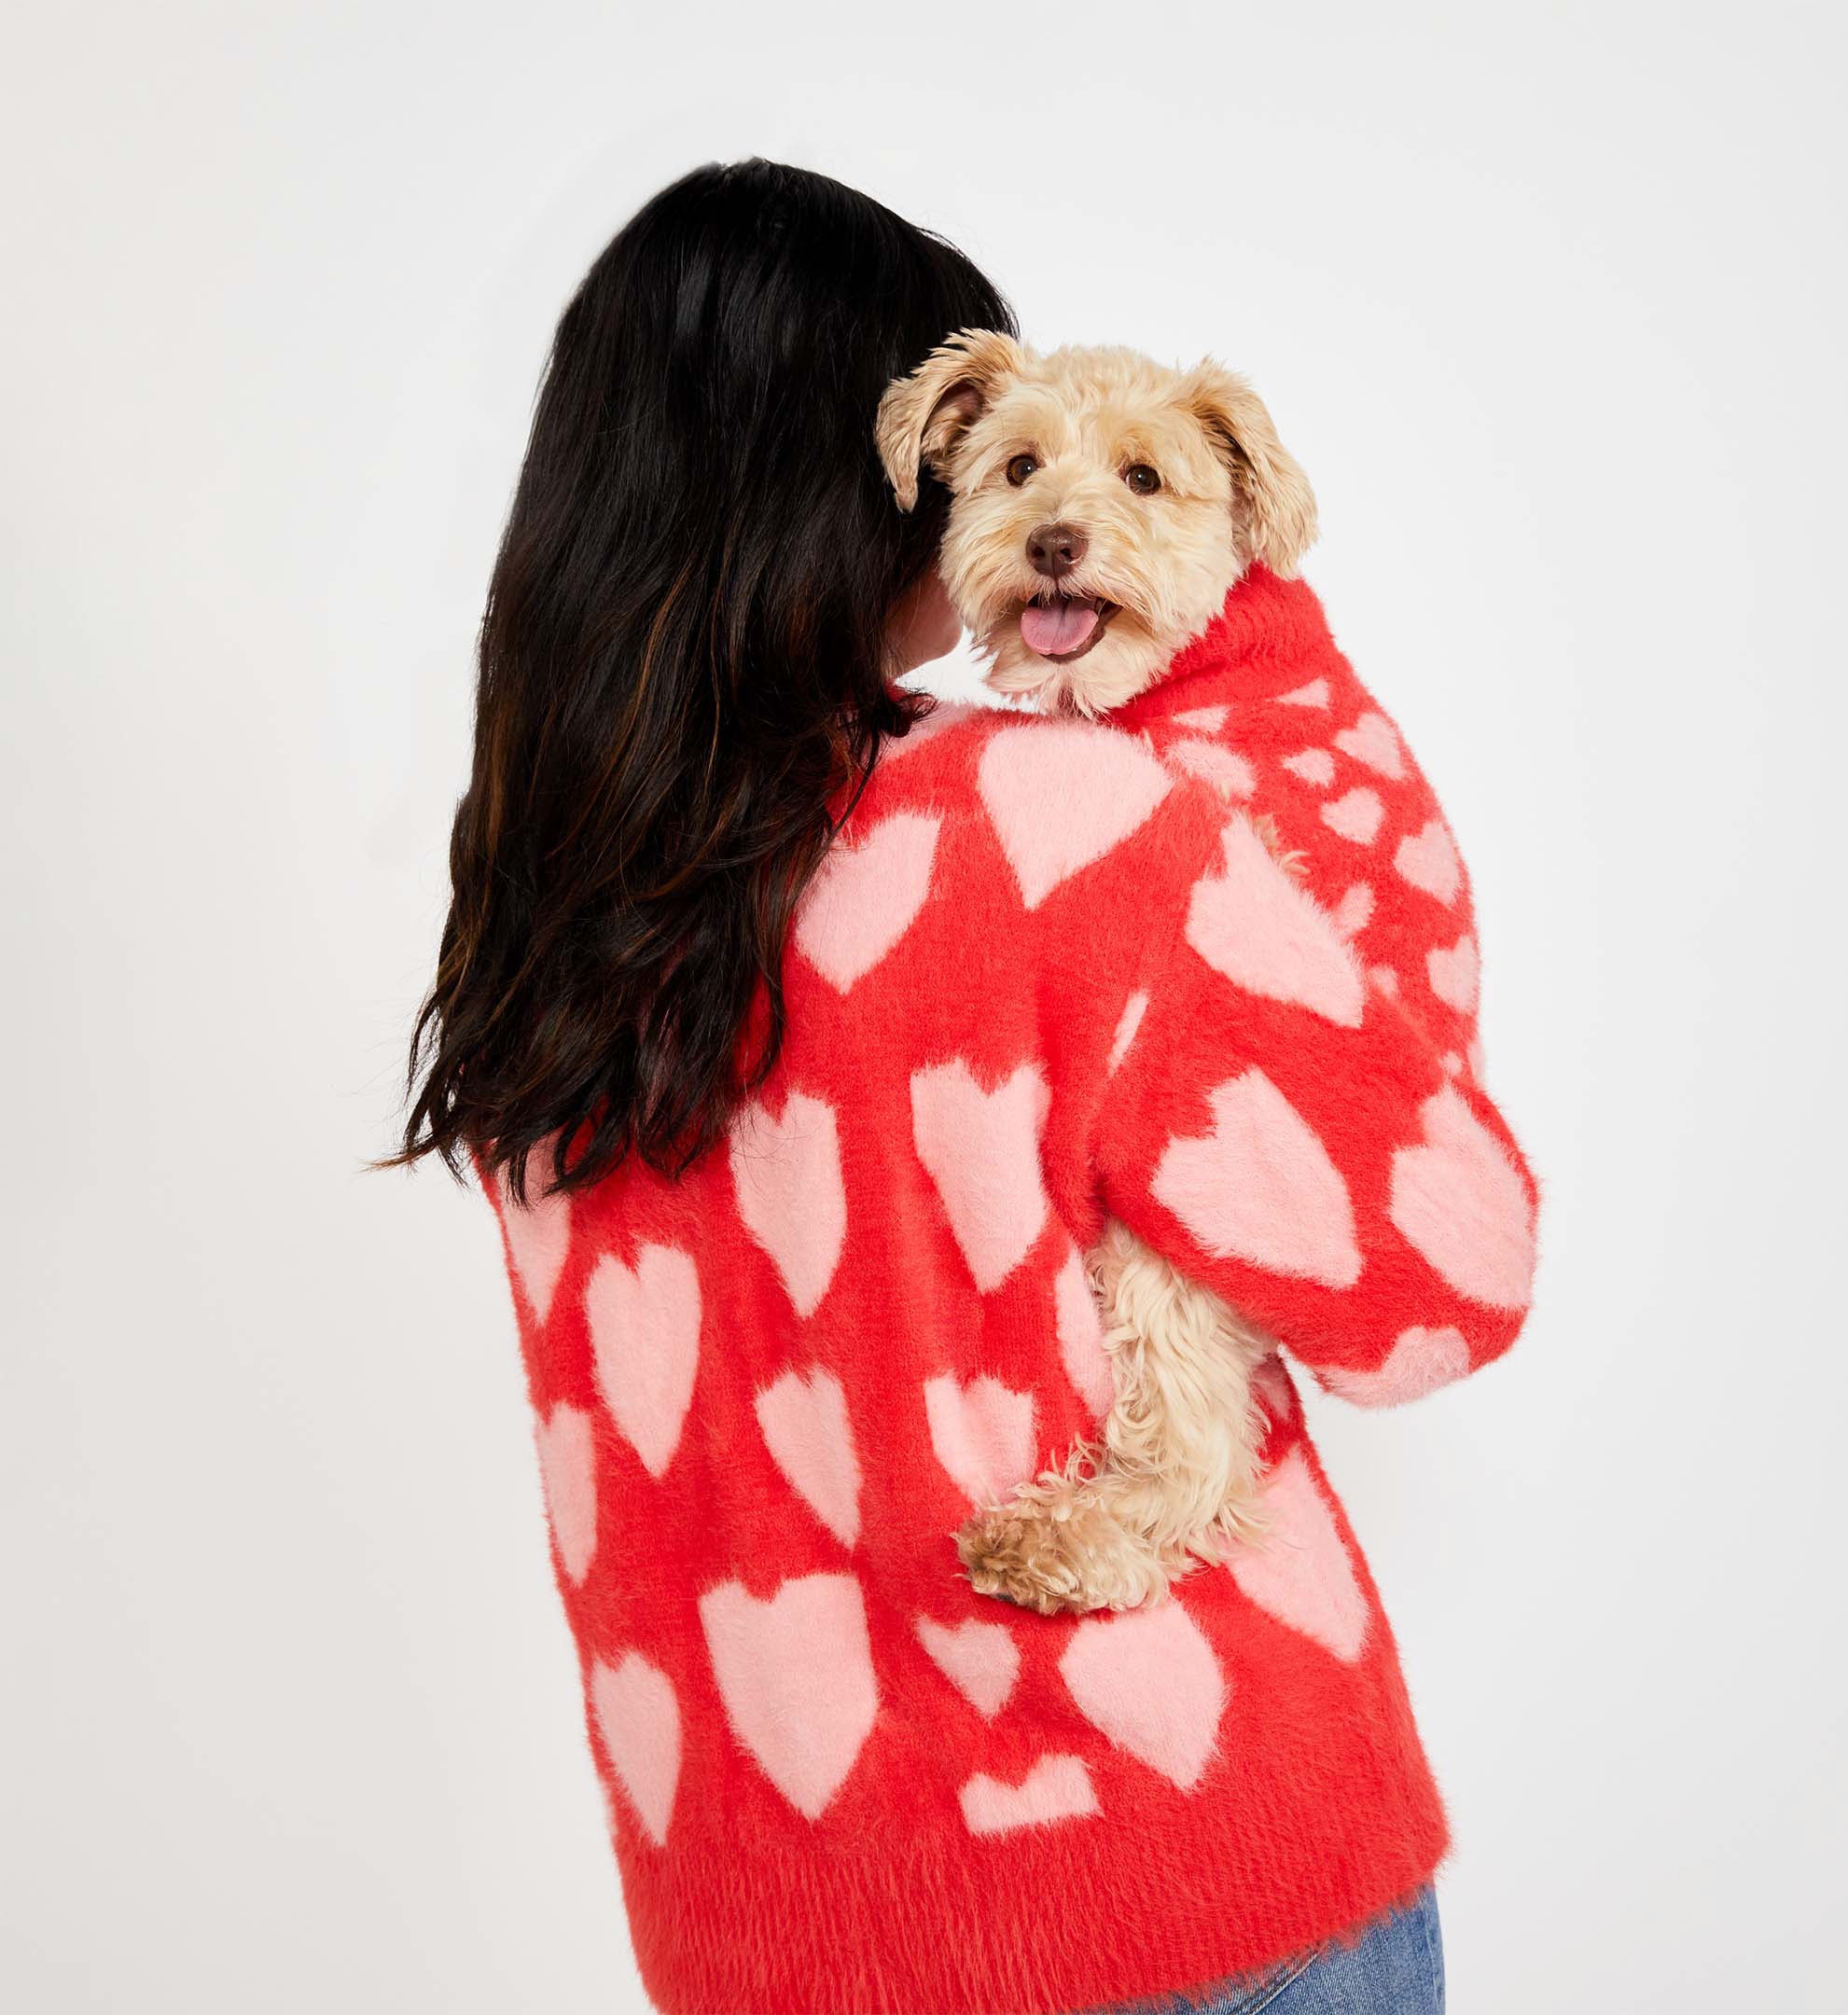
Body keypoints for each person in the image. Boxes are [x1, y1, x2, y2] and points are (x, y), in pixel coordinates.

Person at [397, 159, 1535, 2015]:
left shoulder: (540, 928)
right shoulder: (1066, 819)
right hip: (1184, 1873)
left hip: (774, 1937)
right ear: (858, 473)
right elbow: (1445, 1279)